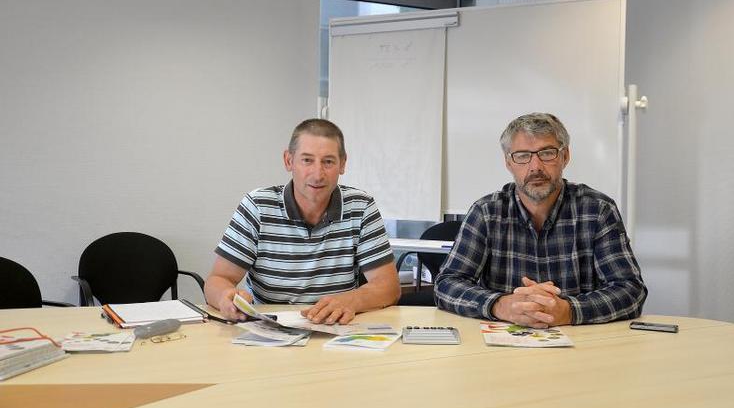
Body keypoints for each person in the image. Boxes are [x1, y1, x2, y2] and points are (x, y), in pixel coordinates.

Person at [435, 112, 647, 327]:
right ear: (509, 163)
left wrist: (569, 310)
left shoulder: (598, 210)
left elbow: (630, 290)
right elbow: (446, 284)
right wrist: (500, 305)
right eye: (522, 155)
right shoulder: (487, 212)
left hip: (581, 346)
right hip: (503, 346)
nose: (535, 166)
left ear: (565, 157)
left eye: (547, 153)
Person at [205, 119, 400, 325]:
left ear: (342, 164)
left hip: (337, 329)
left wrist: (350, 300)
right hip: (270, 330)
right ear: (289, 161)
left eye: (328, 162)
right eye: (307, 160)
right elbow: (217, 280)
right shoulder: (257, 206)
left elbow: (388, 287)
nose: (317, 175)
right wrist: (225, 297)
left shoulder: (361, 206)